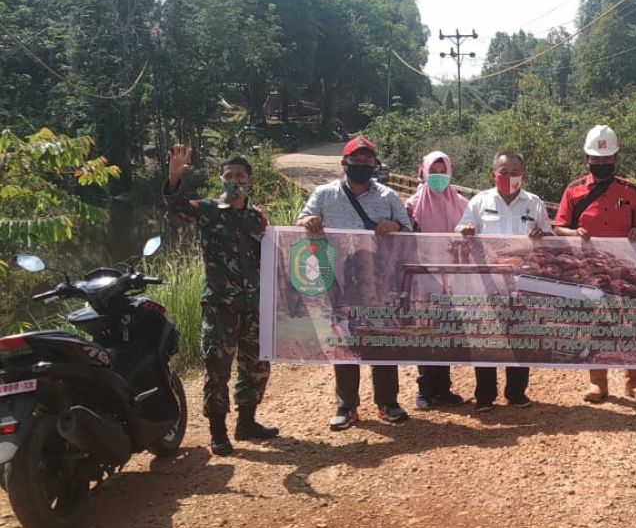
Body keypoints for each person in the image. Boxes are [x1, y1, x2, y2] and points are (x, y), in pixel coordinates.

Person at [164, 144, 275, 456]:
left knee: (256, 366)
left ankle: (247, 422)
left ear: (250, 180)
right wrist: (174, 176)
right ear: (221, 178)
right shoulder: (208, 210)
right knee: (217, 369)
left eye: (240, 175)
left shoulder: (258, 217)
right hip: (220, 305)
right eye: (229, 175)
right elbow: (175, 205)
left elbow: (268, 255)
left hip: (253, 304)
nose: (234, 180)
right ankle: (218, 432)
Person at [296, 135, 413, 430]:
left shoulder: (388, 196)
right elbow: (302, 218)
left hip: (378, 279)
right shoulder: (324, 194)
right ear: (344, 163)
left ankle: (387, 403)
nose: (361, 164)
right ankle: (347, 406)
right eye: (356, 159)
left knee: (381, 337)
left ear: (375, 164)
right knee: (344, 339)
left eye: (367, 160)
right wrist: (307, 222)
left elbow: (409, 230)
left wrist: (395, 226)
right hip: (339, 281)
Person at [553, 125, 636, 403]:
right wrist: (574, 233)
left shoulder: (630, 190)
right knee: (596, 326)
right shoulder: (573, 190)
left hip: (625, 272)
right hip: (589, 271)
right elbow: (559, 227)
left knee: (631, 325)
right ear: (587, 159)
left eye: (606, 158)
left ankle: (634, 381)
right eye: (595, 159)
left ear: (615, 158)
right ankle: (598, 383)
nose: (601, 163)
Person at [456, 150, 553, 412]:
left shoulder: (534, 203)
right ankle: (485, 395)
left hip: (522, 283)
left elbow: (549, 236)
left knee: (520, 336)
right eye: (503, 172)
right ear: (493, 173)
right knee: (486, 337)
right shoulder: (479, 201)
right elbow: (460, 230)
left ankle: (516, 392)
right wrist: (464, 231)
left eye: (514, 172)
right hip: (487, 283)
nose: (508, 176)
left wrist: (542, 234)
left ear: (522, 174)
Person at [406, 150, 470, 410]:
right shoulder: (411, 206)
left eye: (443, 171)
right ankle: (424, 389)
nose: (438, 176)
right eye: (434, 171)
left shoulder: (463, 204)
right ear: (423, 171)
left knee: (447, 332)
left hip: (454, 280)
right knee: (426, 332)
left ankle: (443, 388)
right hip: (423, 279)